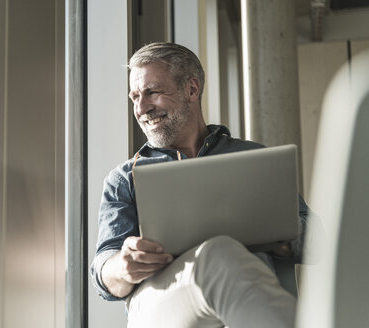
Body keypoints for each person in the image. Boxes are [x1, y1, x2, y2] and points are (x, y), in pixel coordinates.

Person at [90, 42, 309, 328]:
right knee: (218, 255)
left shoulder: (252, 158)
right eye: (134, 97)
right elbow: (102, 271)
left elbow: (318, 241)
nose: (141, 108)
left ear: (192, 90)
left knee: (224, 256)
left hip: (242, 302)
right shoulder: (124, 178)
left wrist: (271, 233)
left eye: (152, 92)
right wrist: (123, 266)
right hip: (160, 305)